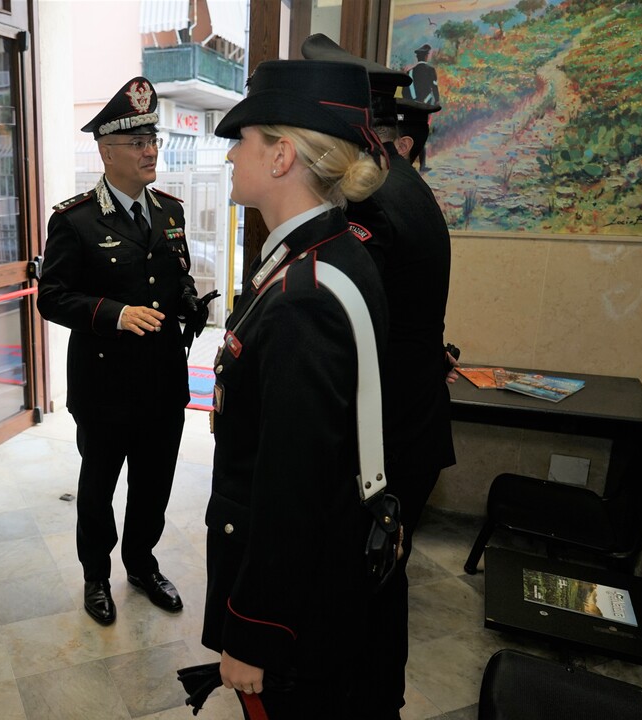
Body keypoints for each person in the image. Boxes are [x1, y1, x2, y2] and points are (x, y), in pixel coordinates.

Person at [199, 59, 390, 717]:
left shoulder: (302, 297)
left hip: (299, 612)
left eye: (242, 140)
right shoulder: (329, 251)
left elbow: (292, 490)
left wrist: (253, 633)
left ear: (281, 156)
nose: (229, 158)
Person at [302, 34, 456, 720]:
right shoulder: (407, 182)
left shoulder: (368, 205)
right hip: (414, 425)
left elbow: (356, 340)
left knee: (356, 599)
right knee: (383, 589)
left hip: (385, 443)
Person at [37, 76, 198, 626]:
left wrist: (191, 304)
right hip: (105, 385)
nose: (151, 150)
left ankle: (141, 562)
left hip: (162, 380)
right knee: (98, 488)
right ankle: (96, 575)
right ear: (106, 152)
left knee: (154, 483)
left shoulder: (170, 212)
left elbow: (173, 281)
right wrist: (116, 314)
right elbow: (53, 298)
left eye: (153, 139)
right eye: (137, 143)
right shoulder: (75, 219)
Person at [405, 43, 440, 171]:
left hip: (411, 109)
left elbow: (405, 92)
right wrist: (437, 101)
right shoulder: (431, 71)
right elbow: (434, 88)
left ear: (418, 57)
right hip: (425, 108)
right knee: (422, 134)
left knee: (410, 135)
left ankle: (408, 164)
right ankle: (422, 165)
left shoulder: (409, 72)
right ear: (426, 56)